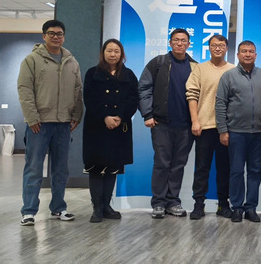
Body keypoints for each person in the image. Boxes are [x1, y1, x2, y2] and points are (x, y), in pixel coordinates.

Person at [18, 19, 83, 226]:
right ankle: (28, 212)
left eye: (59, 34)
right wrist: (32, 117)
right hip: (39, 124)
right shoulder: (31, 60)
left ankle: (58, 208)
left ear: (64, 37)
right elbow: (25, 90)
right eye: (52, 33)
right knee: (34, 169)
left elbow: (78, 91)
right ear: (44, 36)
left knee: (60, 169)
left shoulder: (71, 62)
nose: (56, 37)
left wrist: (76, 115)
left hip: (63, 124)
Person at [139, 28, 197, 219]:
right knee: (162, 163)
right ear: (170, 43)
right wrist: (147, 114)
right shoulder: (158, 63)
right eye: (176, 40)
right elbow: (144, 88)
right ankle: (158, 203)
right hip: (161, 124)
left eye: (183, 41)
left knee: (178, 165)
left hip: (186, 126)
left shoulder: (195, 67)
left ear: (189, 44)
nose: (180, 43)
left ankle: (173, 202)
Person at [82, 39, 138, 223]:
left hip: (119, 127)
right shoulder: (92, 73)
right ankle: (97, 208)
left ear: (121, 54)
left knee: (113, 167)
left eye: (116, 51)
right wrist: (105, 116)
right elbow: (89, 98)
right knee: (96, 168)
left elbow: (133, 99)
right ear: (103, 53)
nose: (113, 54)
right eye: (109, 51)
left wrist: (120, 116)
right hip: (97, 126)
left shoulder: (128, 74)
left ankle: (107, 206)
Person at [215, 40, 261, 223]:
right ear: (238, 55)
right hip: (236, 132)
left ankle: (251, 208)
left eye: (251, 51)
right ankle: (237, 208)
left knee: (255, 171)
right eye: (244, 51)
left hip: (259, 133)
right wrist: (223, 130)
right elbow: (220, 104)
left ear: (256, 55)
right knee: (236, 171)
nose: (247, 54)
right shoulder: (228, 76)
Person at [186, 35, 235, 220]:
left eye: (221, 45)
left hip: (226, 128)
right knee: (202, 168)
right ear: (209, 47)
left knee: (225, 169)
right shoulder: (200, 69)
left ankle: (223, 204)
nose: (217, 48)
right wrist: (195, 120)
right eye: (214, 45)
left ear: (226, 48)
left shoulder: (233, 70)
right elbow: (191, 94)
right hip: (204, 126)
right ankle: (198, 204)